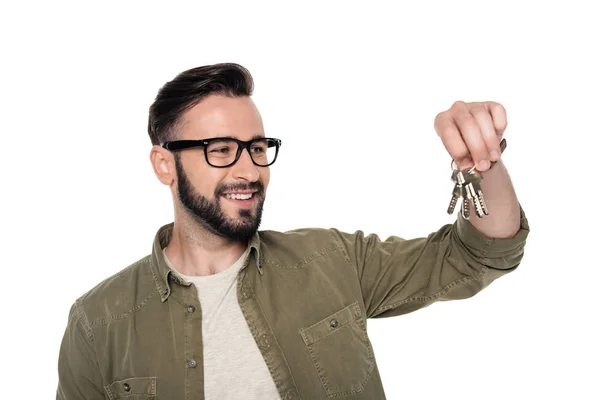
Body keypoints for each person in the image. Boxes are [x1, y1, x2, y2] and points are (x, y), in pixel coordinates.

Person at [56, 63, 530, 400]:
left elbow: (480, 256)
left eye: (257, 147)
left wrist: (480, 164)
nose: (248, 169)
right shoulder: (98, 324)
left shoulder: (333, 260)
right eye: (221, 149)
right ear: (165, 164)